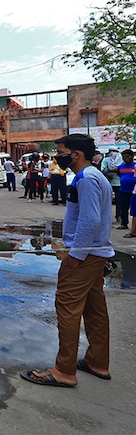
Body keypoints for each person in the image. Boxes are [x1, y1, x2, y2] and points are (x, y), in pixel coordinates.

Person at [21, 133, 114, 387]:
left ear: (76, 154)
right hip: (95, 255)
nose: (57, 157)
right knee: (95, 310)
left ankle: (64, 371)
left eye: (61, 152)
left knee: (67, 308)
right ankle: (97, 361)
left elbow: (90, 220)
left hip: (85, 256)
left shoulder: (86, 178)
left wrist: (76, 255)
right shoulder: (92, 176)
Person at [101, 148, 123, 226]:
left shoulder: (121, 160)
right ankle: (106, 218)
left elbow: (121, 169)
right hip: (108, 183)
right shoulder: (106, 160)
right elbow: (103, 169)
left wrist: (112, 170)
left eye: (115, 152)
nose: (114, 153)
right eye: (112, 152)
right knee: (106, 201)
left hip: (119, 183)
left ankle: (119, 216)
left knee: (119, 201)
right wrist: (111, 170)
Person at [115, 149, 135, 231]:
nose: (126, 158)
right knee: (123, 208)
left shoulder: (135, 166)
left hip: (134, 191)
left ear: (132, 156)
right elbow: (120, 175)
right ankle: (124, 223)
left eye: (128, 156)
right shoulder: (121, 167)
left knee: (134, 209)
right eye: (124, 156)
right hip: (123, 190)